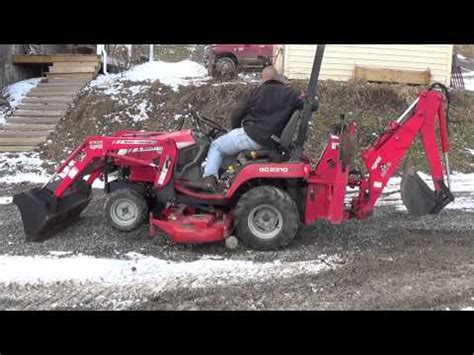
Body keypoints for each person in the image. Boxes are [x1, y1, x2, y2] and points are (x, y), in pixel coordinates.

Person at [188, 65, 315, 193]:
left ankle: (208, 180)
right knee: (230, 148)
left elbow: (237, 113)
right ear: (278, 78)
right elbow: (313, 103)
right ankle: (218, 177)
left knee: (217, 146)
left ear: (263, 79)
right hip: (272, 140)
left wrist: (236, 128)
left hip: (252, 135)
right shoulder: (291, 94)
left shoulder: (255, 91)